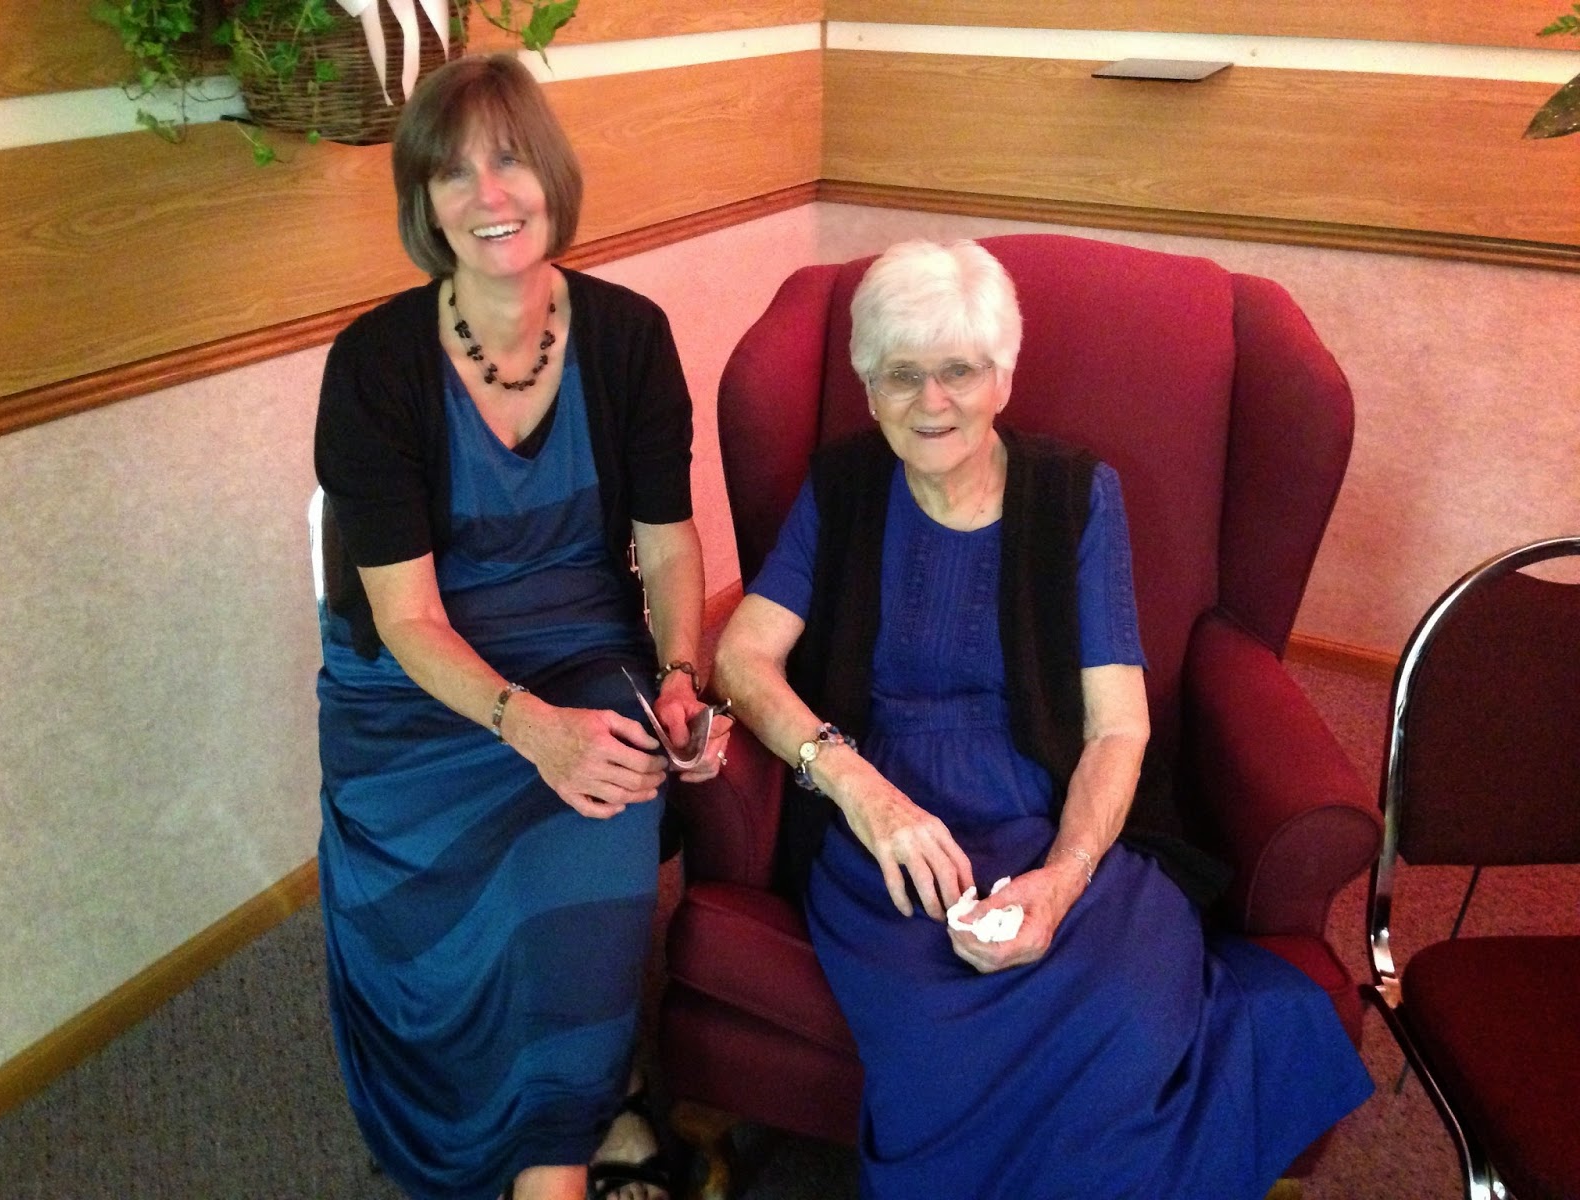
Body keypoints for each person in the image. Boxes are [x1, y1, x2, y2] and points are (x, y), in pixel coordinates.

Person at [713, 239, 1374, 1198]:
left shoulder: (1073, 496)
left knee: (1130, 1018)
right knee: (939, 1044)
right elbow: (741, 658)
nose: (931, 402)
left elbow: (1117, 728)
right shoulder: (844, 487)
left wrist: (1062, 881)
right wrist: (857, 788)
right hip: (886, 841)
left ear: (1003, 378)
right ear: (868, 387)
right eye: (902, 374)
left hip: (1049, 810)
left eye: (958, 370)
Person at [313, 53, 725, 1200]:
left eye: (509, 161)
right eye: (452, 173)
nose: (489, 195)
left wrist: (680, 676)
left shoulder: (630, 337)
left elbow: (667, 545)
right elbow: (404, 614)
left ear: (552, 175)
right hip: (416, 688)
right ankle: (590, 1114)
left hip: (579, 648)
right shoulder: (374, 366)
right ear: (423, 203)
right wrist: (526, 727)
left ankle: (558, 1149)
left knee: (603, 810)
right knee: (441, 918)